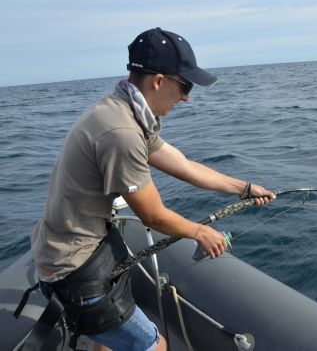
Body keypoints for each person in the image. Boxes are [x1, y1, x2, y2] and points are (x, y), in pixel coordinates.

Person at [29, 27, 275, 351]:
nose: (187, 97)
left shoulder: (123, 110)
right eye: (184, 86)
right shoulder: (122, 132)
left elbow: (184, 166)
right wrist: (201, 232)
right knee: (154, 346)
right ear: (158, 81)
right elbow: (154, 216)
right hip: (73, 269)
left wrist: (243, 188)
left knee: (112, 340)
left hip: (82, 249)